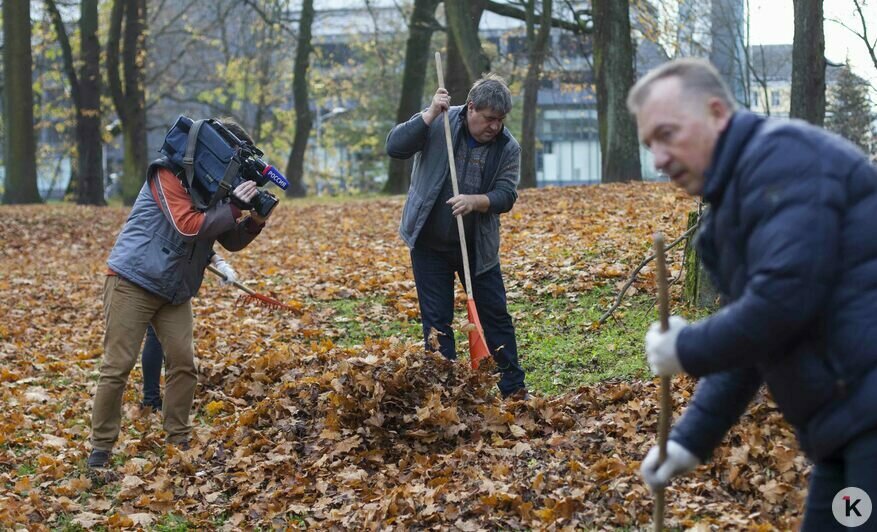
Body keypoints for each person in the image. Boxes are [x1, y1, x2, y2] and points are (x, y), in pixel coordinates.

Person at [630, 57, 877, 530]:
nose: (658, 159)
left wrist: (686, 347)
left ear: (718, 113)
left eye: (667, 134)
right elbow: (755, 339)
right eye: (649, 144)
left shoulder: (783, 159)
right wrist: (688, 440)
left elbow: (784, 298)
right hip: (845, 428)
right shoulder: (727, 218)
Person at [88, 119, 275, 468]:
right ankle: (100, 450)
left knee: (184, 365)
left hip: (174, 290)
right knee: (117, 367)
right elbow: (188, 226)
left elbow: (229, 240)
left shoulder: (212, 189)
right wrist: (233, 206)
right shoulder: (166, 174)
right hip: (134, 280)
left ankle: (178, 441)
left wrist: (254, 220)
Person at [386, 74, 527, 399]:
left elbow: (506, 195)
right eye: (489, 118)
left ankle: (513, 389)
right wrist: (429, 113)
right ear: (471, 108)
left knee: (495, 317)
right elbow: (395, 147)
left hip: (478, 248)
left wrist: (475, 201)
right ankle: (445, 394)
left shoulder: (508, 146)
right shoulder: (439, 121)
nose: (495, 126)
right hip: (428, 242)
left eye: (500, 120)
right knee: (437, 323)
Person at [139, 253, 237, 411]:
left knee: (160, 337)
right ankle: (154, 400)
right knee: (158, 337)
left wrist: (219, 262)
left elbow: (195, 238)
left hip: (162, 273)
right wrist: (217, 261)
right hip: (159, 275)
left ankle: (156, 399)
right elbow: (190, 235)